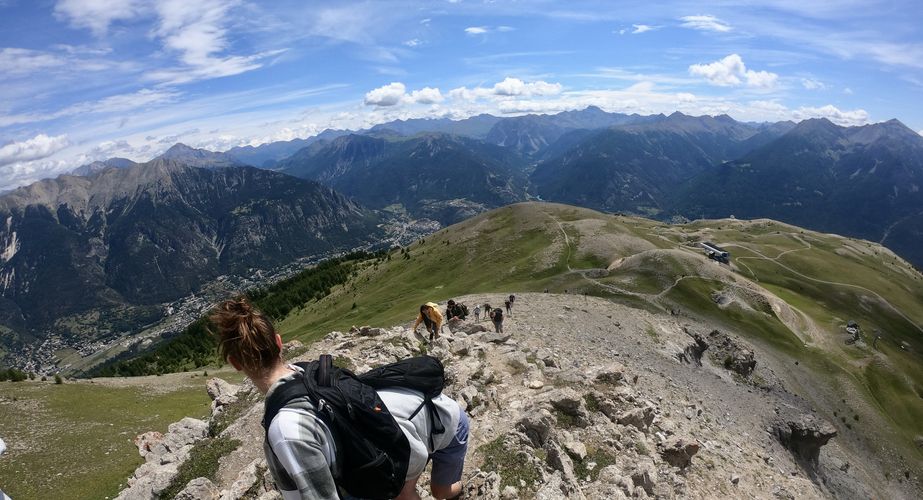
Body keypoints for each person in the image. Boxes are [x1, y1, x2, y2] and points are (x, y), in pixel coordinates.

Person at [211, 297, 469, 500]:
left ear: (234, 363)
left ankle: (459, 490)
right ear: (279, 343)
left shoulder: (287, 429)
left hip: (431, 430)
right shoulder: (311, 374)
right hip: (403, 436)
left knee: (440, 492)